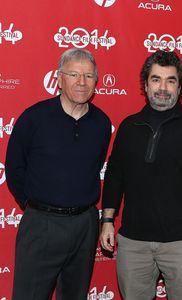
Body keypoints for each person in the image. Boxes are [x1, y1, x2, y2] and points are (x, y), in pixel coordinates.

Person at [99, 50, 182, 300]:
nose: (162, 87)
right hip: (133, 243)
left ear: (180, 87)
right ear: (145, 84)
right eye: (156, 79)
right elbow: (114, 175)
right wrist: (107, 221)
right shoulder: (129, 127)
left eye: (170, 80)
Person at [5, 48, 111, 300]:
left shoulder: (102, 123)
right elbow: (14, 167)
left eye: (88, 75)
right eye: (74, 74)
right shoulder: (34, 118)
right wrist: (35, 207)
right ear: (59, 78)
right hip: (41, 224)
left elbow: (94, 167)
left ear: (97, 80)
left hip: (84, 225)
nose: (82, 82)